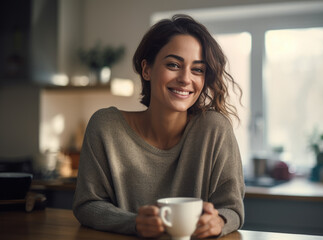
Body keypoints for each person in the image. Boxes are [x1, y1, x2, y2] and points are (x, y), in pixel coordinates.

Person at [72, 14, 244, 239]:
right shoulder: (105, 127)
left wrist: (218, 222)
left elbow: (232, 209)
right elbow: (87, 205)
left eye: (197, 69)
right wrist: (134, 223)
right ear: (146, 70)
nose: (185, 78)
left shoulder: (215, 130)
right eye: (173, 65)